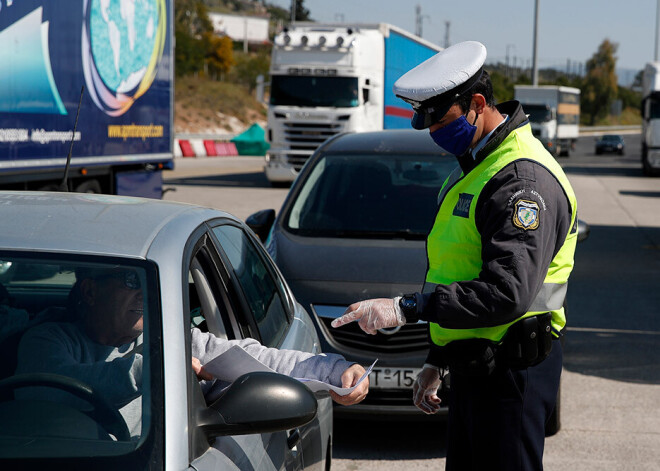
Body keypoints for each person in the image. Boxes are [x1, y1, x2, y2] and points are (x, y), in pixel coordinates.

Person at [331, 41, 578, 471]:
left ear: (477, 104)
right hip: (476, 371)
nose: (432, 133)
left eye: (439, 120)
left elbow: (508, 292)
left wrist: (407, 308)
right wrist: (438, 360)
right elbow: (459, 269)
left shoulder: (520, 181)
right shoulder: (477, 168)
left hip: (511, 377)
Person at [15, 266, 369, 438]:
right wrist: (152, 368)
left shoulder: (169, 337)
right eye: (130, 281)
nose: (143, 293)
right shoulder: (47, 339)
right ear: (90, 291)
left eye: (145, 283)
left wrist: (336, 371)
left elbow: (255, 357)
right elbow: (49, 388)